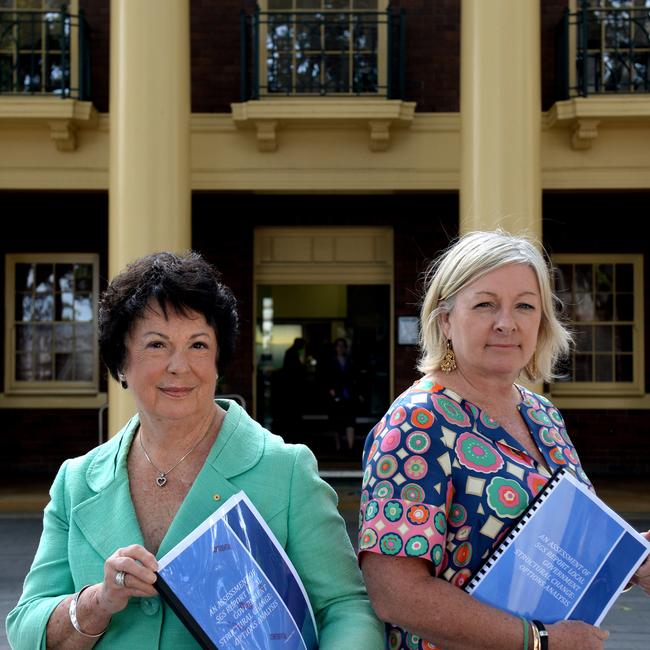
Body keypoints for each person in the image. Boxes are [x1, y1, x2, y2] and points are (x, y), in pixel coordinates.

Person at [7, 251, 384, 649]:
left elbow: (346, 609)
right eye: (157, 344)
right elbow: (25, 626)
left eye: (199, 345)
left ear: (219, 360)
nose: (179, 366)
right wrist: (97, 602)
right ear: (120, 362)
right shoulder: (77, 481)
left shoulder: (285, 470)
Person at [357, 230, 650, 650]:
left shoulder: (541, 413)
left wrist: (627, 563)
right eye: (485, 304)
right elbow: (396, 595)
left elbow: (547, 555)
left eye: (525, 306)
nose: (507, 323)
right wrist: (539, 640)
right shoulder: (417, 423)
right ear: (445, 320)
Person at [326, 338, 357, 451]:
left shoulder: (350, 361)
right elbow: (326, 377)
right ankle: (338, 446)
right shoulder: (331, 361)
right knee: (337, 421)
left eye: (343, 346)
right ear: (335, 348)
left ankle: (350, 446)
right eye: (338, 345)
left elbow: (355, 376)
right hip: (336, 394)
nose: (340, 348)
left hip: (348, 394)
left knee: (350, 421)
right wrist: (331, 389)